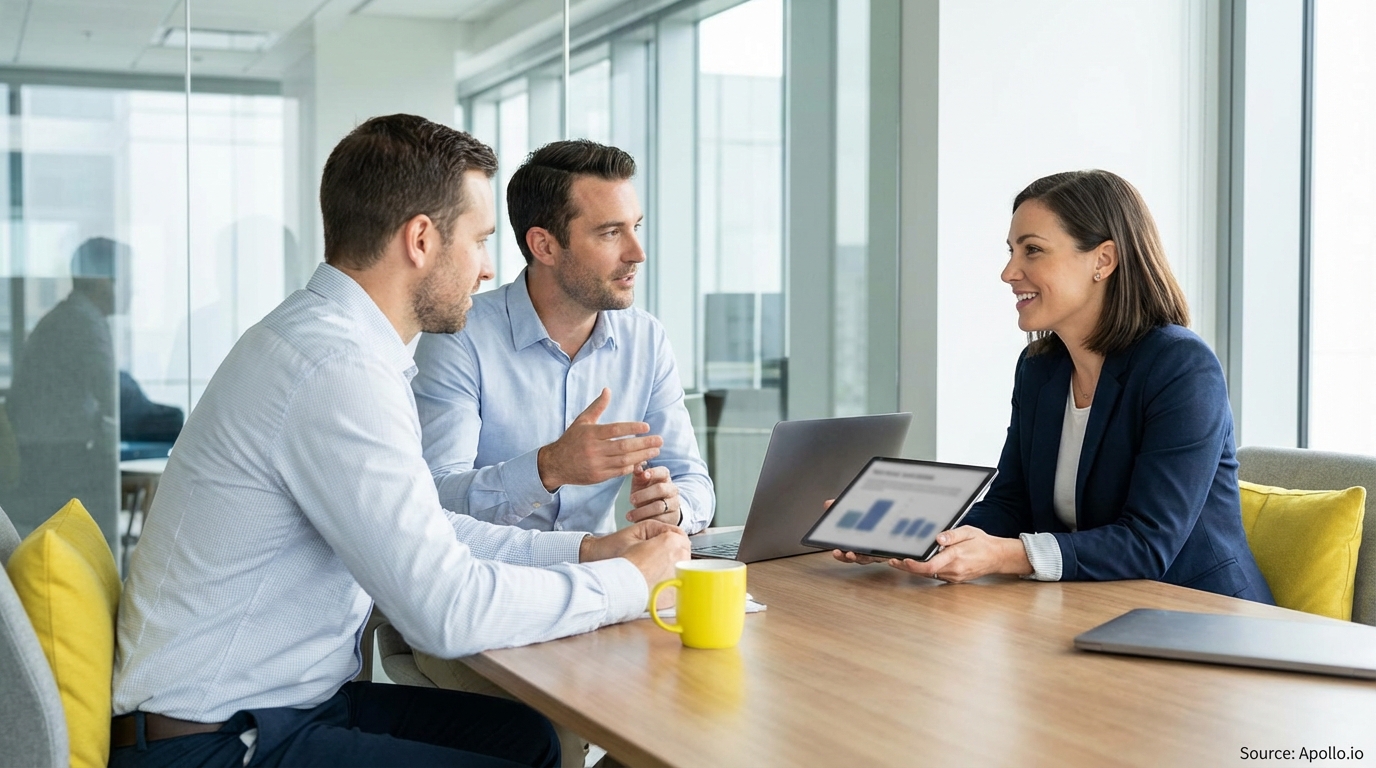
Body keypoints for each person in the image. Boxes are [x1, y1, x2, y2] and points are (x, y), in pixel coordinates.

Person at [110, 114, 690, 768]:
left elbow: (427, 528)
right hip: (214, 742)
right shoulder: (335, 369)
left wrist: (587, 550)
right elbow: (445, 611)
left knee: (526, 739)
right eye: (479, 241)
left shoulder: (331, 343)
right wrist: (628, 581)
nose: (487, 268)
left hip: (280, 708)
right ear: (420, 240)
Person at [835, 170, 1273, 603]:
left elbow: (1148, 543)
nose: (1009, 272)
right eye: (1011, 251)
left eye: (1033, 251)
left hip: (1201, 614)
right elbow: (1011, 505)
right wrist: (912, 536)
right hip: (1097, 606)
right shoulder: (1039, 369)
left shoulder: (1181, 367)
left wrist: (1005, 556)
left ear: (1103, 260)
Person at [412, 140, 714, 536]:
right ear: (544, 246)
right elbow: (435, 500)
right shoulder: (459, 338)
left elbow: (692, 479)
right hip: (498, 571)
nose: (637, 253)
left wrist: (673, 507)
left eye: (635, 227)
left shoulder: (646, 339)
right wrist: (548, 468)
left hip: (608, 569)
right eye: (611, 233)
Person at [5, 238, 128, 542]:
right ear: (103, 282)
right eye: (126, 277)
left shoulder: (72, 316)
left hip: (46, 454)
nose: (132, 289)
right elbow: (114, 394)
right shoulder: (81, 321)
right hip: (54, 460)